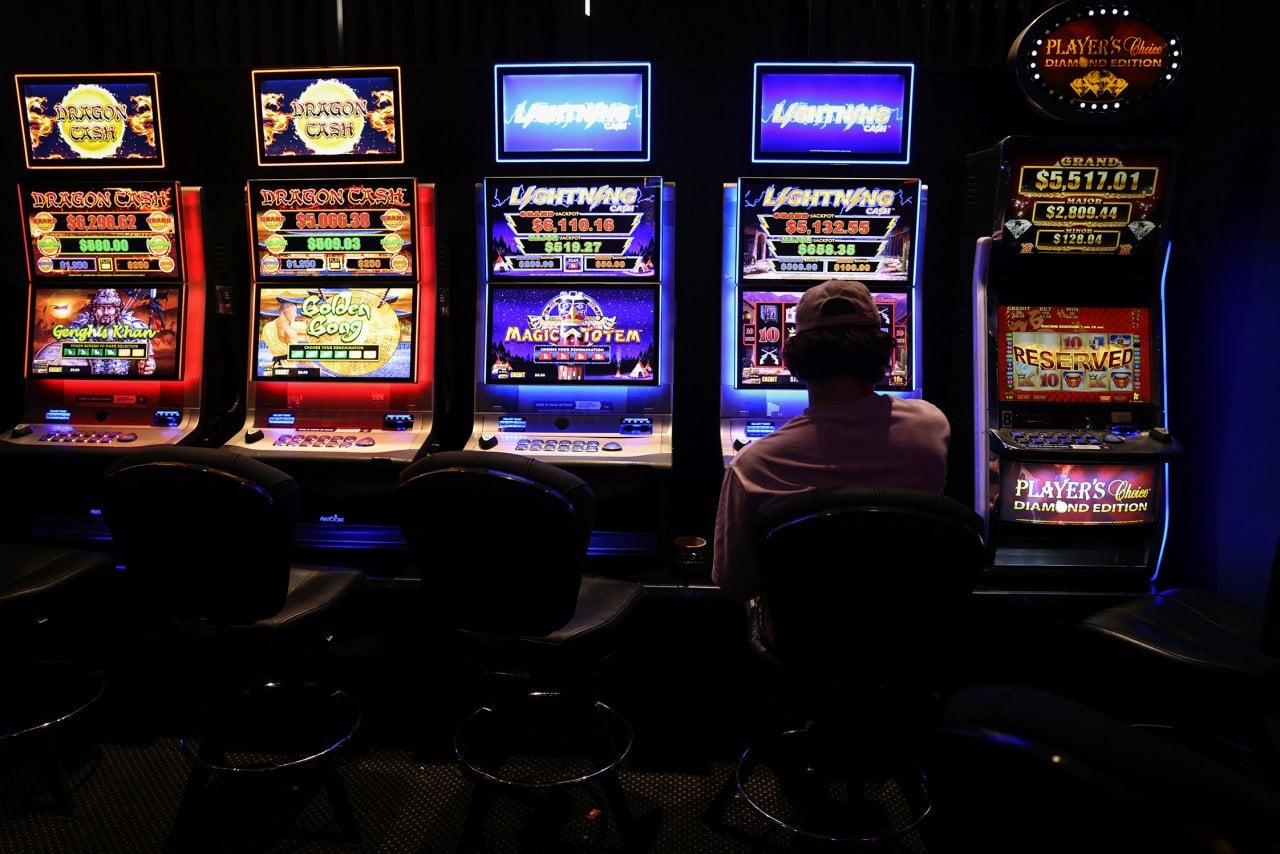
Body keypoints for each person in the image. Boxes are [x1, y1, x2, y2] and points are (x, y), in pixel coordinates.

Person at [712, 279, 951, 609]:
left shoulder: (754, 466)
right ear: (885, 352)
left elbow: (735, 581)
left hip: (803, 630)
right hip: (909, 621)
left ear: (793, 358)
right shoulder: (932, 426)